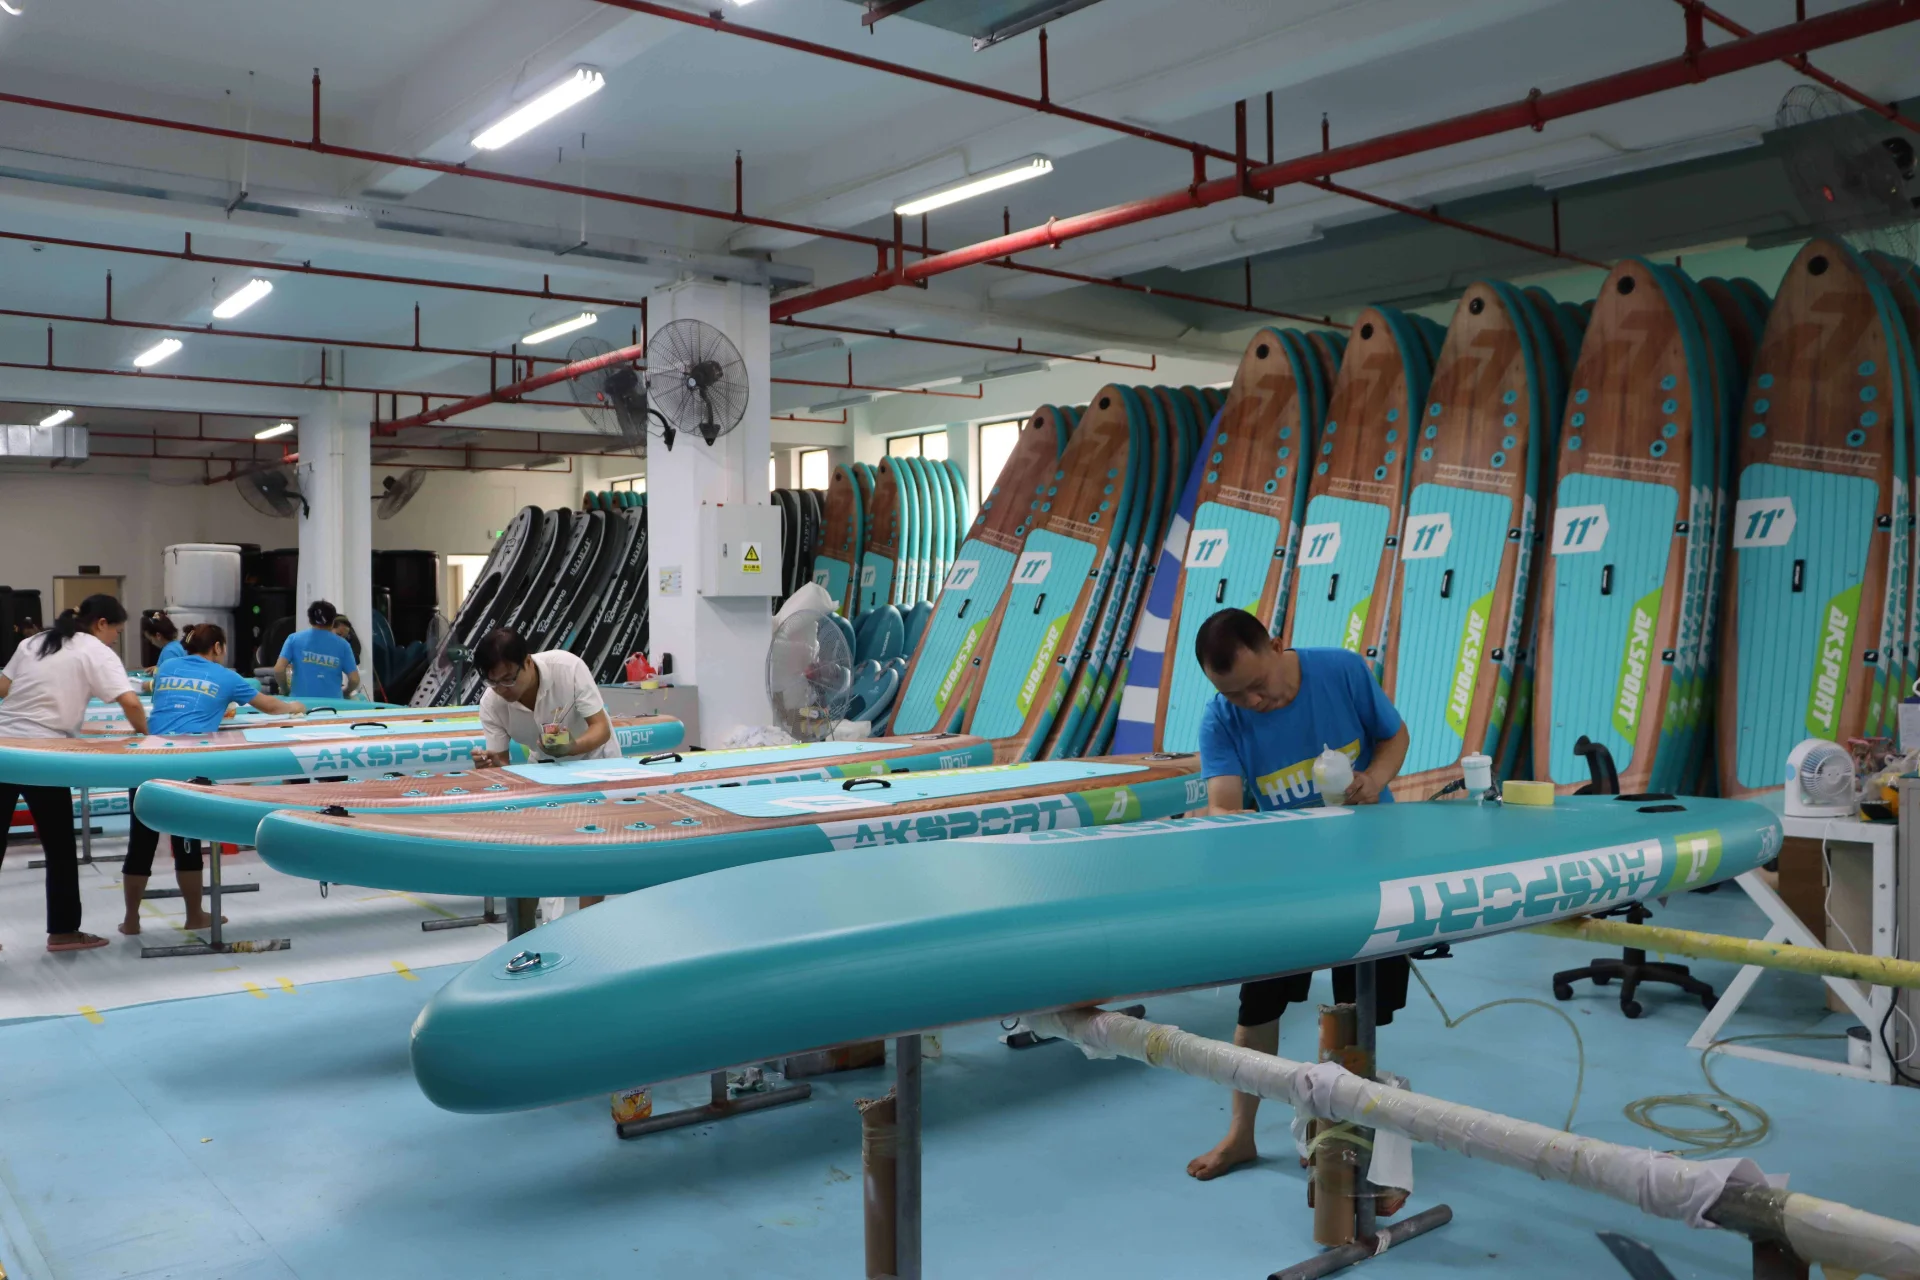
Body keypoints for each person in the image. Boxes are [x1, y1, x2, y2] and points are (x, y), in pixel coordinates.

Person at [1184, 607, 1412, 1182]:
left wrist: (1376, 781)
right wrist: (1224, 824)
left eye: (1257, 687)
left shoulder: (1342, 672)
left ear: (1276, 645)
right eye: (1236, 697)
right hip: (1286, 884)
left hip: (1368, 868)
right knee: (1258, 1007)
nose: (1253, 704)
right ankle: (1241, 1136)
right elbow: (1224, 802)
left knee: (1355, 1014)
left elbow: (1394, 735)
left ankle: (1338, 1140)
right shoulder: (1221, 720)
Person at [119, 624, 307, 937]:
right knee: (187, 842)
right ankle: (194, 915)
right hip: (188, 762)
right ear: (218, 647)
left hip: (147, 757)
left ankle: (131, 920)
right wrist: (296, 706)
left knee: (140, 842)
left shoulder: (166, 667)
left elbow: (178, 699)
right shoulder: (227, 676)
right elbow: (272, 706)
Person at [0, 595, 146, 952]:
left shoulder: (33, 642)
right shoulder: (94, 650)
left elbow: (2, 688)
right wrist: (148, 737)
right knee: (59, 846)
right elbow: (130, 702)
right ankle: (63, 931)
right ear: (101, 624)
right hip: (44, 754)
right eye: (116, 631)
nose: (115, 638)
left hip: (3, 747)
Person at [470, 627, 620, 909]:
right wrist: (489, 767)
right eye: (494, 683)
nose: (503, 690)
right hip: (544, 765)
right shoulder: (492, 704)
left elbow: (600, 729)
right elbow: (502, 766)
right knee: (533, 846)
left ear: (527, 661)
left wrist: (571, 747)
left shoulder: (567, 667)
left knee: (590, 851)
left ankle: (589, 923)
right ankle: (529, 928)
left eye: (508, 679)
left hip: (595, 760)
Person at [274, 599, 360, 699]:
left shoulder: (293, 639)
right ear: (332, 622)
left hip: (300, 704)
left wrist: (285, 690)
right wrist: (345, 692)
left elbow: (278, 670)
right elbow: (354, 679)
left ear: (310, 620)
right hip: (334, 705)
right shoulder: (344, 645)